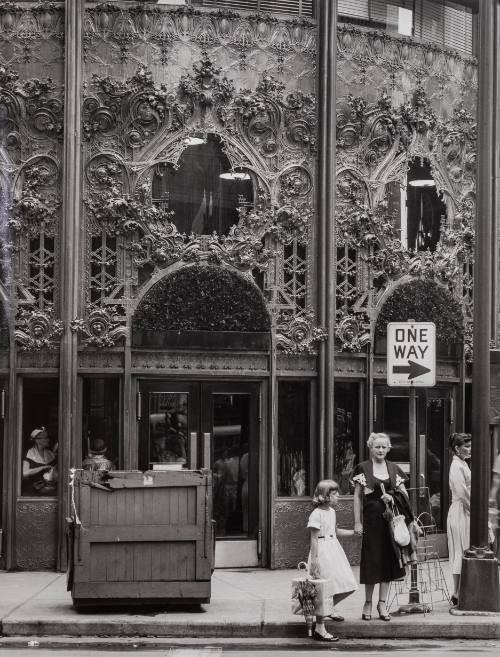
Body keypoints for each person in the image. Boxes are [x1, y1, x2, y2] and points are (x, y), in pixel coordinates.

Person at [352, 432, 415, 622]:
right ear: (370, 448)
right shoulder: (362, 468)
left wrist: (392, 496)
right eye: (377, 446)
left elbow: (405, 496)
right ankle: (368, 603)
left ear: (388, 448)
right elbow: (357, 497)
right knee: (372, 560)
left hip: (391, 523)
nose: (380, 450)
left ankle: (382, 603)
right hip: (371, 521)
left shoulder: (394, 469)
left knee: (388, 561)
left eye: (384, 447)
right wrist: (357, 521)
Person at [307, 478, 358, 642]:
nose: (339, 497)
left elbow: (334, 531)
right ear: (325, 496)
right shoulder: (316, 514)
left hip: (334, 549)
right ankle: (320, 629)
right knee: (323, 590)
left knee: (347, 584)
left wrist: (353, 533)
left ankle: (328, 609)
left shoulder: (332, 512)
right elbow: (314, 539)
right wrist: (314, 561)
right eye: (335, 494)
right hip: (321, 552)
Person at [447, 432, 471, 605]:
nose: (470, 449)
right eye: (467, 446)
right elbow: (462, 493)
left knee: (463, 549)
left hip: (464, 509)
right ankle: (456, 591)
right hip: (460, 510)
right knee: (459, 550)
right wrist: (475, 511)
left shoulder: (462, 463)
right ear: (457, 448)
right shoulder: (457, 465)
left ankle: (459, 590)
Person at [22, 427, 58, 496]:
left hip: (48, 488)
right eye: (46, 438)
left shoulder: (50, 454)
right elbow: (25, 473)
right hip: (32, 490)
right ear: (37, 440)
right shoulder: (29, 453)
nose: (48, 440)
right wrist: (42, 468)